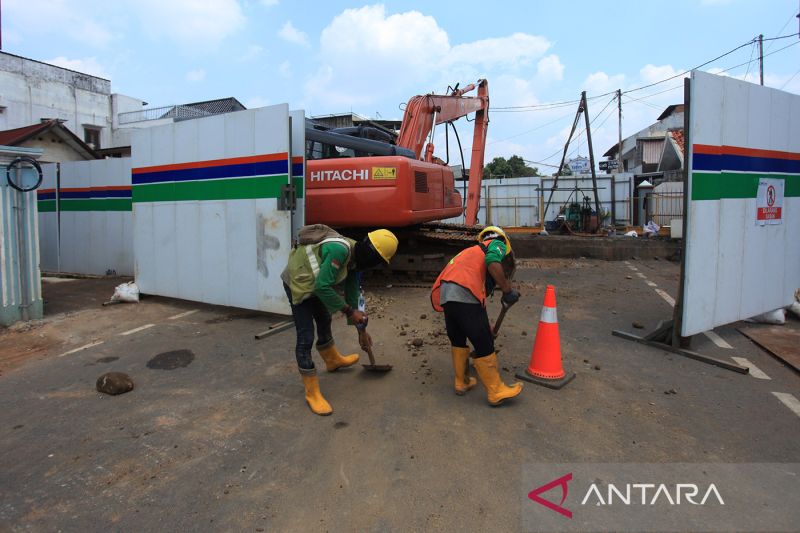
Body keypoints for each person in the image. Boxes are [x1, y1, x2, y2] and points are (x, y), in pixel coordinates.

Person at [281, 228, 398, 415]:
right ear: (372, 255)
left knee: (324, 317)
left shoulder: (354, 257)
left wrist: (361, 331)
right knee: (305, 336)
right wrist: (350, 312)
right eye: (378, 261)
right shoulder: (340, 251)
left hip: (315, 282)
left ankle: (332, 360)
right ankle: (312, 393)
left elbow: (351, 292)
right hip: (298, 282)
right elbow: (322, 287)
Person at [430, 226, 523, 406]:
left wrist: (484, 326)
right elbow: (492, 261)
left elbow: (476, 307)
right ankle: (496, 391)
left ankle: (462, 382)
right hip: (464, 292)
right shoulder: (497, 243)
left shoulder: (470, 252)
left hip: (447, 293)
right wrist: (507, 290)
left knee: (458, 337)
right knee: (484, 343)